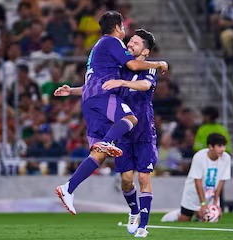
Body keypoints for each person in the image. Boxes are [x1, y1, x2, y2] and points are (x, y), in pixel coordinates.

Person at [54, 11, 168, 215]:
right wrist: (159, 63)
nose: (126, 33)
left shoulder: (100, 48)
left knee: (98, 155)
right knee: (130, 118)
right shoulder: (112, 42)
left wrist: (71, 90)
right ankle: (108, 141)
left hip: (89, 99)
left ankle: (68, 188)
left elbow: (96, 80)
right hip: (103, 97)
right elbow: (133, 65)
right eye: (124, 28)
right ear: (117, 27)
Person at [102, 29, 158, 238]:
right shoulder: (120, 67)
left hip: (144, 131)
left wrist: (123, 83)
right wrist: (72, 90)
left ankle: (143, 226)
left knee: (144, 176)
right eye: (130, 41)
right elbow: (100, 86)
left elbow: (144, 86)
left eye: (134, 43)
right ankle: (134, 211)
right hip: (124, 132)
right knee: (126, 180)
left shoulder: (149, 69)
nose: (129, 45)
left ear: (145, 51)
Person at [161, 133, 231, 222]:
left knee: (211, 219)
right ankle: (175, 215)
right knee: (185, 219)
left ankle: (198, 216)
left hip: (210, 194)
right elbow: (197, 181)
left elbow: (221, 181)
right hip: (193, 193)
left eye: (224, 146)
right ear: (211, 146)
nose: (223, 149)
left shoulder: (226, 158)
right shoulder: (200, 156)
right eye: (219, 146)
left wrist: (215, 203)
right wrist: (203, 204)